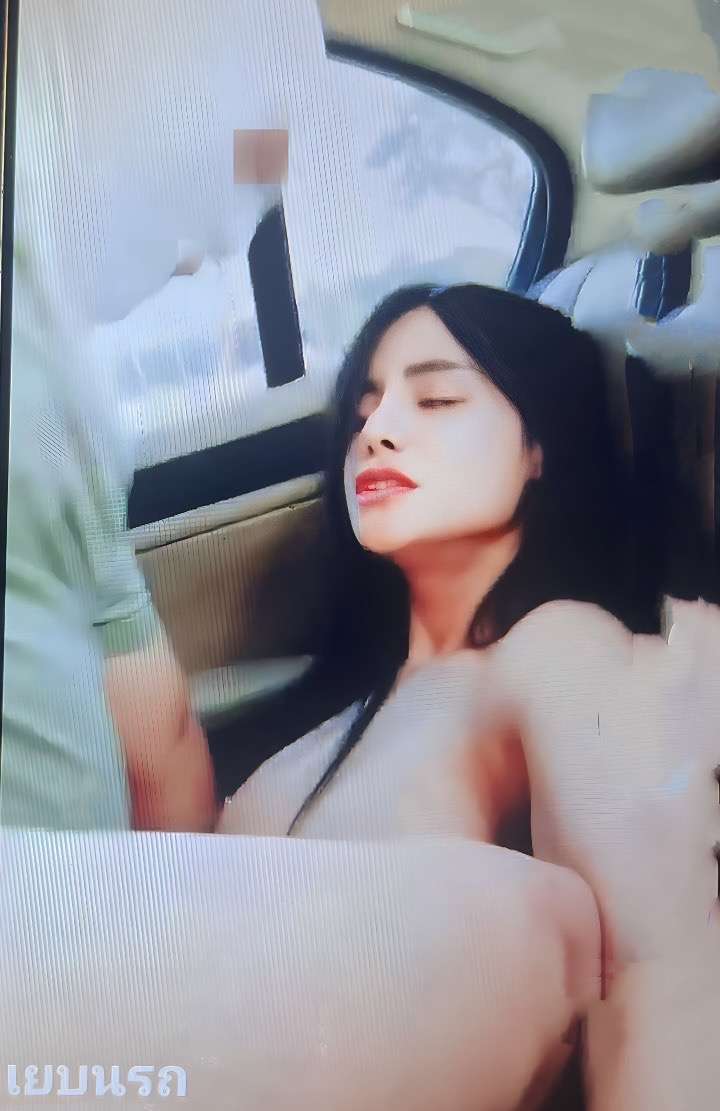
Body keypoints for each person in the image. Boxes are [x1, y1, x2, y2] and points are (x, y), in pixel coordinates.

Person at [218, 282, 646, 841]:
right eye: (362, 414)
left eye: (437, 400)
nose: (374, 433)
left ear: (539, 445)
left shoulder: (560, 649)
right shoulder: (361, 682)